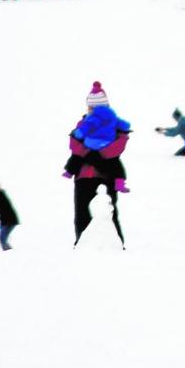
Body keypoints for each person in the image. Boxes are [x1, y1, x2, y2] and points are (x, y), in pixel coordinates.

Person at [64, 83, 130, 248]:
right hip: (83, 176)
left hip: (107, 175)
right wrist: (88, 153)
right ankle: (81, 244)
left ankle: (117, 245)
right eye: (91, 107)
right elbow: (73, 143)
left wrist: (99, 154)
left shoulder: (114, 124)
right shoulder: (83, 123)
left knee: (109, 212)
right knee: (82, 213)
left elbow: (119, 145)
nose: (92, 109)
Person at [63, 82, 131, 193]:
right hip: (107, 143)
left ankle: (69, 171)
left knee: (77, 157)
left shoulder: (91, 118)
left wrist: (78, 134)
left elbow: (83, 131)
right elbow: (124, 125)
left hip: (91, 143)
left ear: (91, 107)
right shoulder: (113, 117)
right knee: (116, 163)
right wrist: (125, 127)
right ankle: (119, 182)